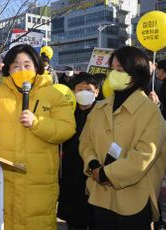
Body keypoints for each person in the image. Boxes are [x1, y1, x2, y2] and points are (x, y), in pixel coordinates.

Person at [0, 44, 76, 230]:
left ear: (37, 67)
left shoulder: (54, 95)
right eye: (16, 66)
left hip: (39, 182)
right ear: (8, 69)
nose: (22, 70)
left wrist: (38, 123)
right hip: (5, 180)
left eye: (27, 65)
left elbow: (67, 129)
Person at [79, 46, 166, 230]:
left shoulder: (150, 112)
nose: (114, 74)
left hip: (134, 199)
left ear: (135, 73)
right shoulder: (100, 107)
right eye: (112, 69)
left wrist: (107, 173)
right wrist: (93, 164)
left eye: (120, 70)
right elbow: (85, 141)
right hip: (101, 197)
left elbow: (144, 155)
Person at [58, 72, 99, 230]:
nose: (83, 93)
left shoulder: (103, 112)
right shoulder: (67, 113)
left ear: (96, 91)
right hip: (71, 170)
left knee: (95, 217)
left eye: (88, 89)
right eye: (79, 89)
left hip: (94, 170)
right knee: (74, 219)